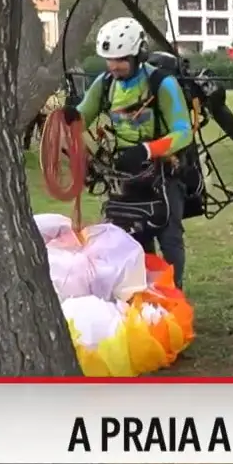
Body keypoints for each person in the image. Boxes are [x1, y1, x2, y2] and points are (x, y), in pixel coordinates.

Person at [60, 17, 195, 286]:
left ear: (138, 54)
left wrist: (146, 150)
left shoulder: (162, 84)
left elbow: (183, 132)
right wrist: (71, 117)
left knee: (168, 237)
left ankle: (172, 294)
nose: (113, 66)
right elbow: (83, 115)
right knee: (132, 240)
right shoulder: (106, 83)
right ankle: (141, 295)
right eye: (109, 59)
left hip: (163, 173)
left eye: (121, 59)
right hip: (125, 175)